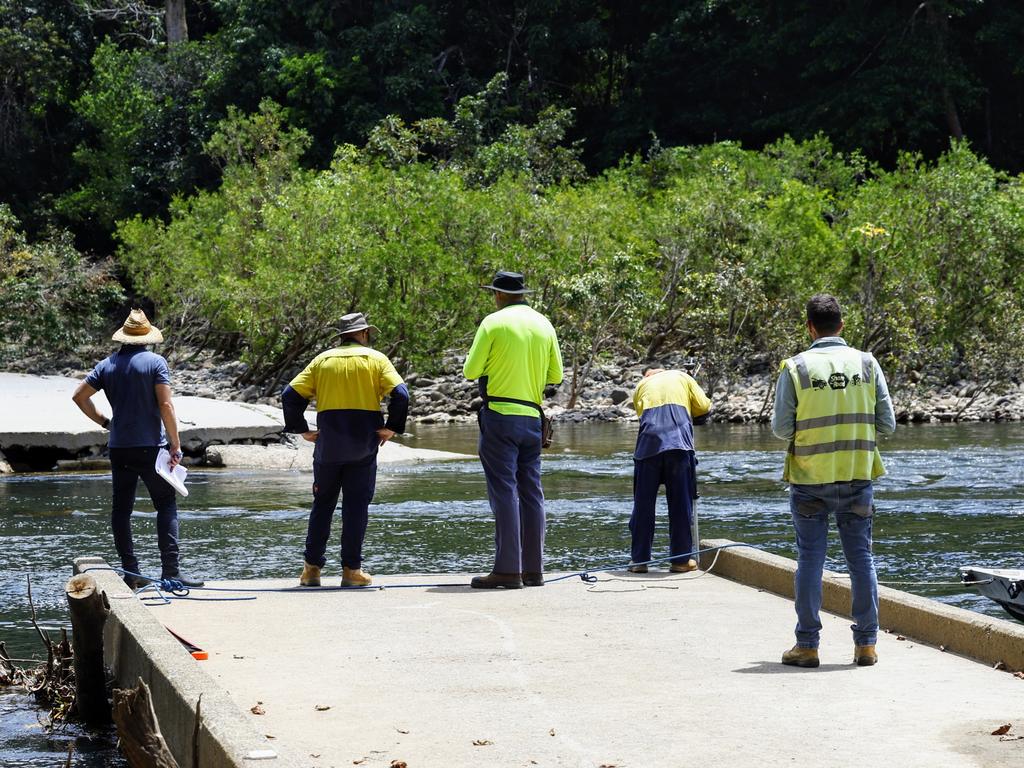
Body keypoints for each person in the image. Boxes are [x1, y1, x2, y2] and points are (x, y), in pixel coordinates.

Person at [771, 294, 896, 668]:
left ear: (809, 327)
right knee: (862, 560)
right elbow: (887, 424)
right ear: (842, 325)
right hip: (858, 477)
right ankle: (866, 646)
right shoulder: (867, 363)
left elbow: (780, 429)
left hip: (809, 479)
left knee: (810, 560)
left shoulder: (796, 368)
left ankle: (807, 645)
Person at [72, 308, 203, 589]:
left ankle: (131, 573)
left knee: (121, 510)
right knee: (166, 505)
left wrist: (106, 422)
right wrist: (176, 443)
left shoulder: (107, 365)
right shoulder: (156, 363)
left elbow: (79, 396)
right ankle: (171, 573)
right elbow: (166, 405)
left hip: (119, 448)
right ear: (148, 338)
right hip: (150, 447)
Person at [282, 312, 408, 588]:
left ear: (341, 336)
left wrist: (301, 428)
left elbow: (289, 396)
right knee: (356, 507)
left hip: (329, 445)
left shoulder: (322, 360)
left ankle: (311, 570)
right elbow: (401, 395)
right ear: (363, 334)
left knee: (322, 505)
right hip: (363, 444)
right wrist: (391, 427)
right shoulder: (376, 359)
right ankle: (351, 570)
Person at [463, 271, 563, 589]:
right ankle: (534, 570)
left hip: (500, 416)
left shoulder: (493, 323)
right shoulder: (544, 324)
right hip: (533, 418)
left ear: (499, 295)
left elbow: (471, 370)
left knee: (504, 491)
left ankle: (507, 570)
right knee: (531, 491)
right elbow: (556, 375)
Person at [627, 366, 712, 574]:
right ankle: (681, 560)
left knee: (643, 505)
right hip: (679, 447)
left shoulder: (641, 385)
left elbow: (641, 414)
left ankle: (639, 561)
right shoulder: (683, 377)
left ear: (649, 375)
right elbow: (704, 406)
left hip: (648, 447)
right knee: (680, 505)